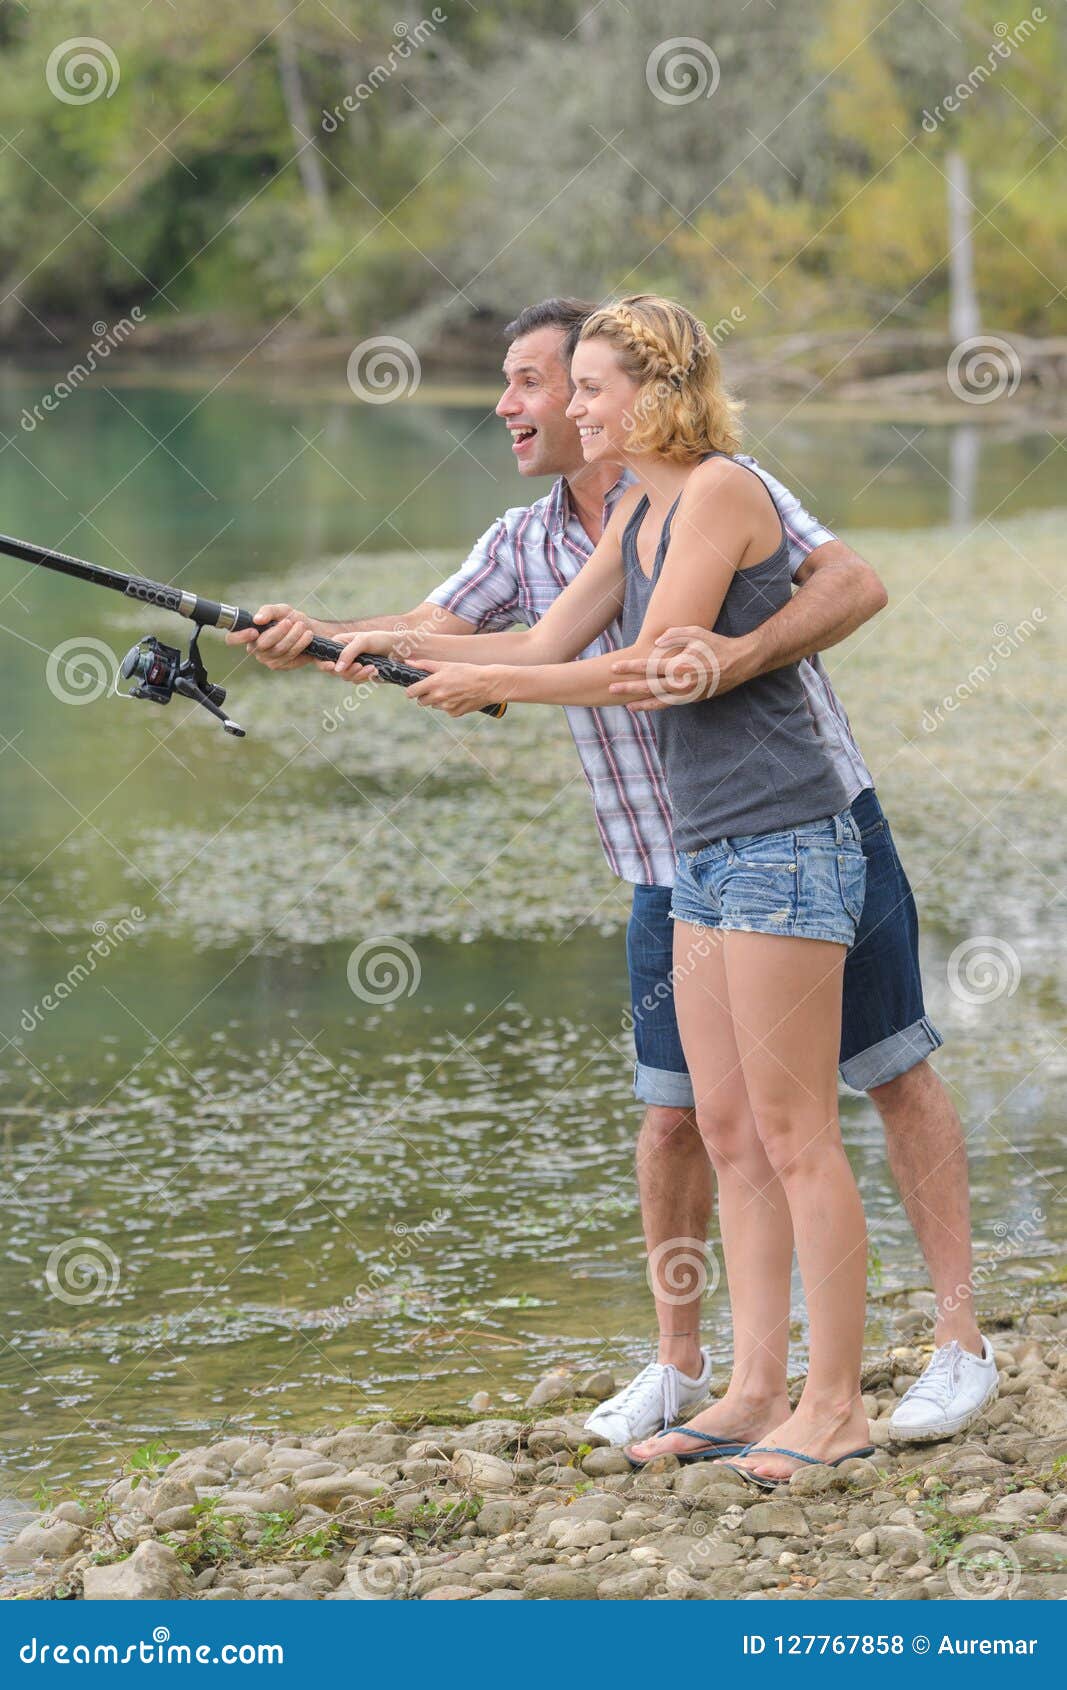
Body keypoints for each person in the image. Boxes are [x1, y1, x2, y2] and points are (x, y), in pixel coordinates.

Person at [228, 299, 997, 1449]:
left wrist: (509, 688)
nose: (559, 407)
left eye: (581, 386)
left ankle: (845, 1399)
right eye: (565, 387)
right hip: (691, 854)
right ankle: (748, 1388)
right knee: (725, 1129)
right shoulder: (621, 510)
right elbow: (530, 641)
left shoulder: (724, 487)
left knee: (810, 1125)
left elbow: (647, 669)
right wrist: (348, 642)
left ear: (654, 389)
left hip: (791, 830)